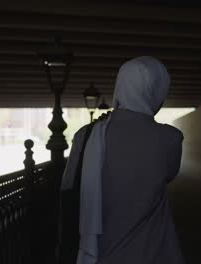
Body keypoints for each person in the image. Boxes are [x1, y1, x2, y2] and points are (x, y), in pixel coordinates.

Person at [60, 56, 185, 264]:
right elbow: (168, 174)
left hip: (100, 256)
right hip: (154, 254)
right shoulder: (170, 139)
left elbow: (67, 188)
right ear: (157, 92)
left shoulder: (86, 136)